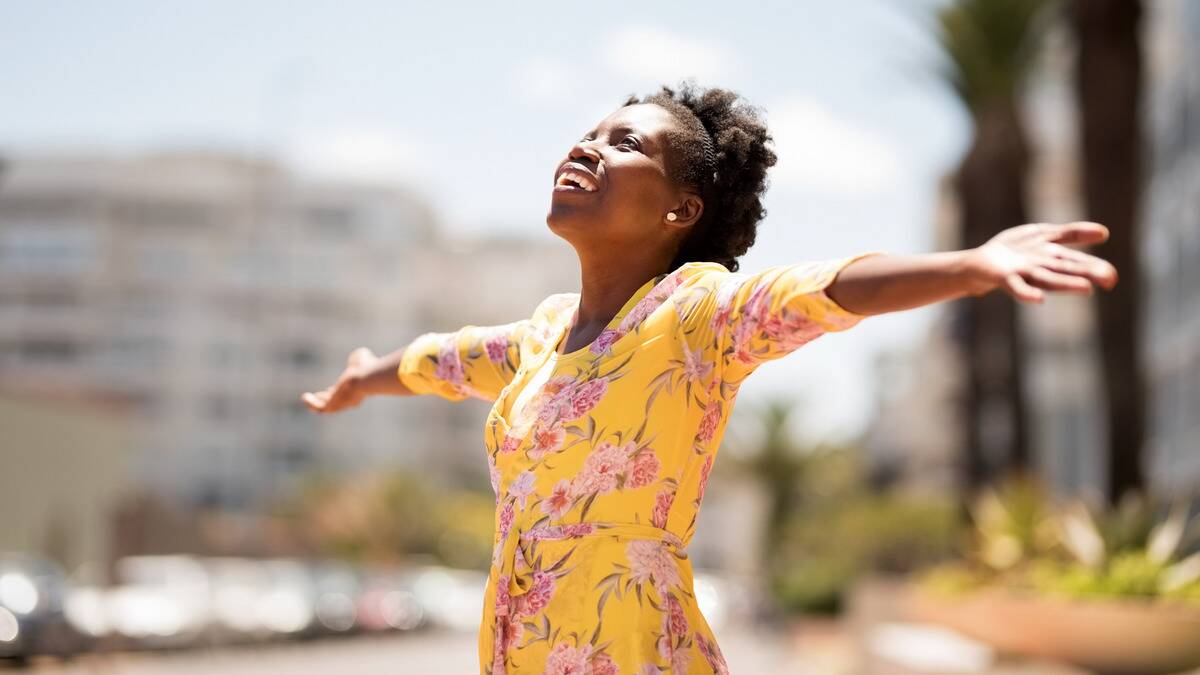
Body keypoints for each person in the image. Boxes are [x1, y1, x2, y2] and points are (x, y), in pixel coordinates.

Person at [301, 83, 1118, 674]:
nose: (586, 146)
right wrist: (363, 378)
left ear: (680, 211)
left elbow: (818, 289)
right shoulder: (545, 335)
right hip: (519, 648)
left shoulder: (695, 314)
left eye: (625, 144)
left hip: (634, 651)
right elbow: (445, 359)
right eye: (589, 131)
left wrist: (971, 266)